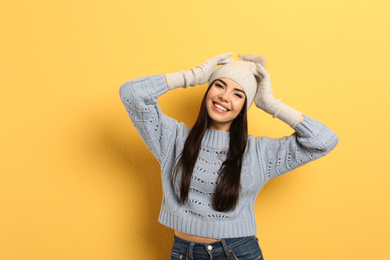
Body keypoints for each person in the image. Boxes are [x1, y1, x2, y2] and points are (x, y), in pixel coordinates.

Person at [119, 53, 338, 260]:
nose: (224, 97)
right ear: (208, 89)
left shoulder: (259, 152)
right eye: (219, 85)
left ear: (245, 105)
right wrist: (191, 76)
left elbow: (324, 140)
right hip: (183, 252)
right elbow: (131, 93)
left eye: (238, 94)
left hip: (237, 252)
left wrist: (271, 104)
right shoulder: (172, 138)